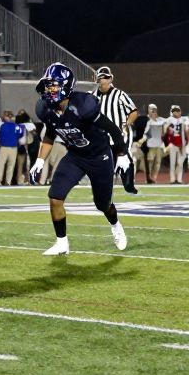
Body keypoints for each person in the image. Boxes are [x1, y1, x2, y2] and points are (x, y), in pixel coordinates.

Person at [30, 63, 133, 256]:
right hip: (76, 156)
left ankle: (115, 224)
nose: (49, 89)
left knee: (102, 204)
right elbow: (50, 133)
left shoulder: (83, 105)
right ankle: (62, 243)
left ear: (66, 86)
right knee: (55, 196)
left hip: (99, 156)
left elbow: (111, 129)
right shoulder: (45, 108)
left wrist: (121, 154)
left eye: (54, 85)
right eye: (48, 85)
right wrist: (40, 160)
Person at [92, 66, 138, 160]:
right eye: (101, 78)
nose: (103, 80)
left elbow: (133, 112)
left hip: (117, 139)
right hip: (100, 139)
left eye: (106, 77)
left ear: (111, 79)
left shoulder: (120, 94)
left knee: (121, 163)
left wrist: (125, 124)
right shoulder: (93, 95)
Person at [137, 104, 165, 184]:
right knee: (150, 161)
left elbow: (164, 131)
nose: (153, 113)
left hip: (159, 145)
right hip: (150, 145)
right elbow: (145, 133)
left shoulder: (161, 121)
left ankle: (154, 178)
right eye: (152, 111)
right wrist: (142, 140)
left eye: (154, 111)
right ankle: (148, 178)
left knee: (158, 162)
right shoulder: (146, 121)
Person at [0, 110, 22, 186]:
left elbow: (20, 134)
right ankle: (0, 181)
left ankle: (6, 181)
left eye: (10, 116)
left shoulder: (14, 126)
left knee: (8, 165)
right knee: (3, 165)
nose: (9, 117)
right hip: (6, 147)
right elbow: (20, 134)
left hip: (10, 147)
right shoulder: (4, 125)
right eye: (8, 116)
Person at [164, 105, 186, 185]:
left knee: (180, 163)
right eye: (174, 111)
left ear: (180, 111)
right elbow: (165, 129)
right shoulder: (169, 120)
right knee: (172, 163)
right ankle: (172, 179)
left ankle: (179, 179)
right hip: (173, 144)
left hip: (181, 144)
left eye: (178, 110)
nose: (176, 112)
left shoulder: (184, 119)